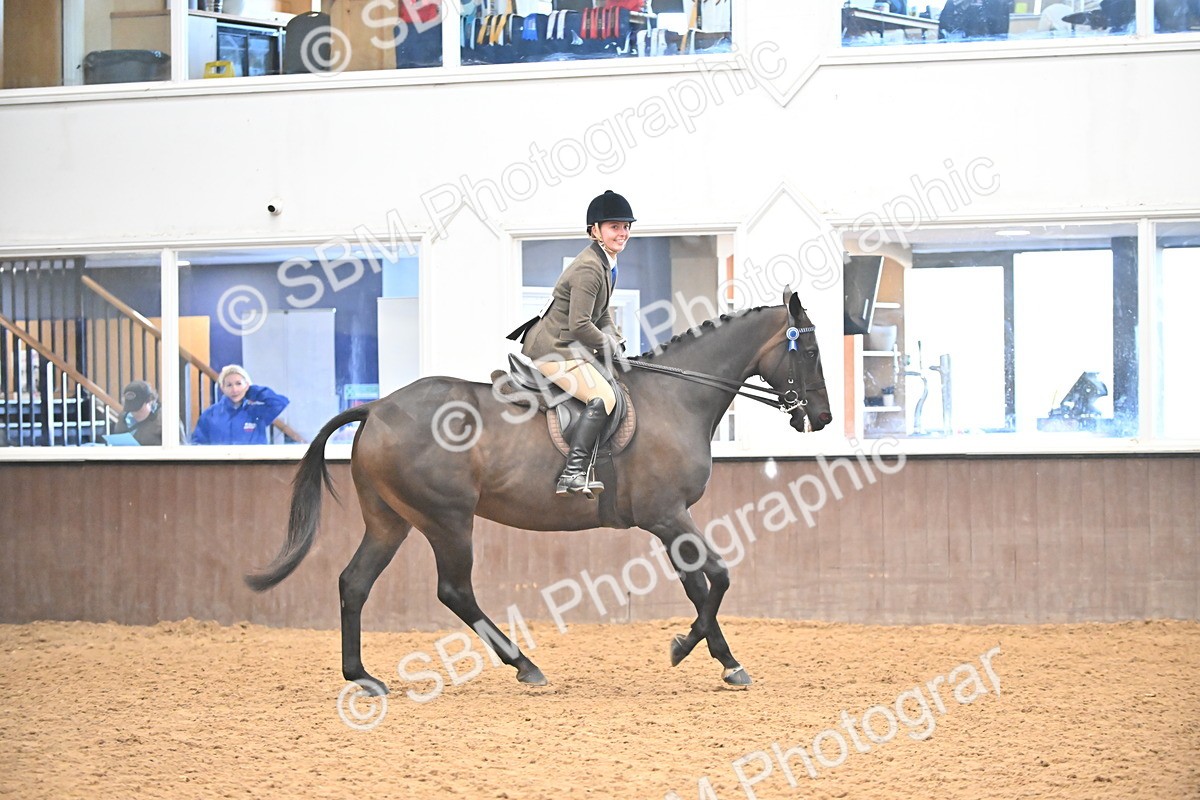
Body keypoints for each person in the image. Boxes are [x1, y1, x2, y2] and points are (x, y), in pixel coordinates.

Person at [509, 189, 633, 496]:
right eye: (614, 226)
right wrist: (606, 344)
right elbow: (580, 325)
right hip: (554, 349)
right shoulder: (590, 268)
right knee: (604, 397)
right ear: (595, 230)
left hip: (568, 345)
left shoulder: (607, 263)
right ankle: (573, 472)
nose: (623, 232)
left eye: (626, 226)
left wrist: (615, 340)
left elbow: (600, 314)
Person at [192, 365, 289, 445]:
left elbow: (280, 403)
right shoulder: (210, 415)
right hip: (220, 466)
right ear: (222, 388)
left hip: (255, 466)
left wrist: (251, 392)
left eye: (238, 384)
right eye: (229, 385)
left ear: (246, 385)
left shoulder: (257, 413)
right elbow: (197, 445)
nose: (234, 389)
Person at [111, 380, 164, 445]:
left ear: (150, 401)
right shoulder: (123, 419)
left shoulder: (164, 420)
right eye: (131, 410)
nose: (134, 413)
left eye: (138, 409)